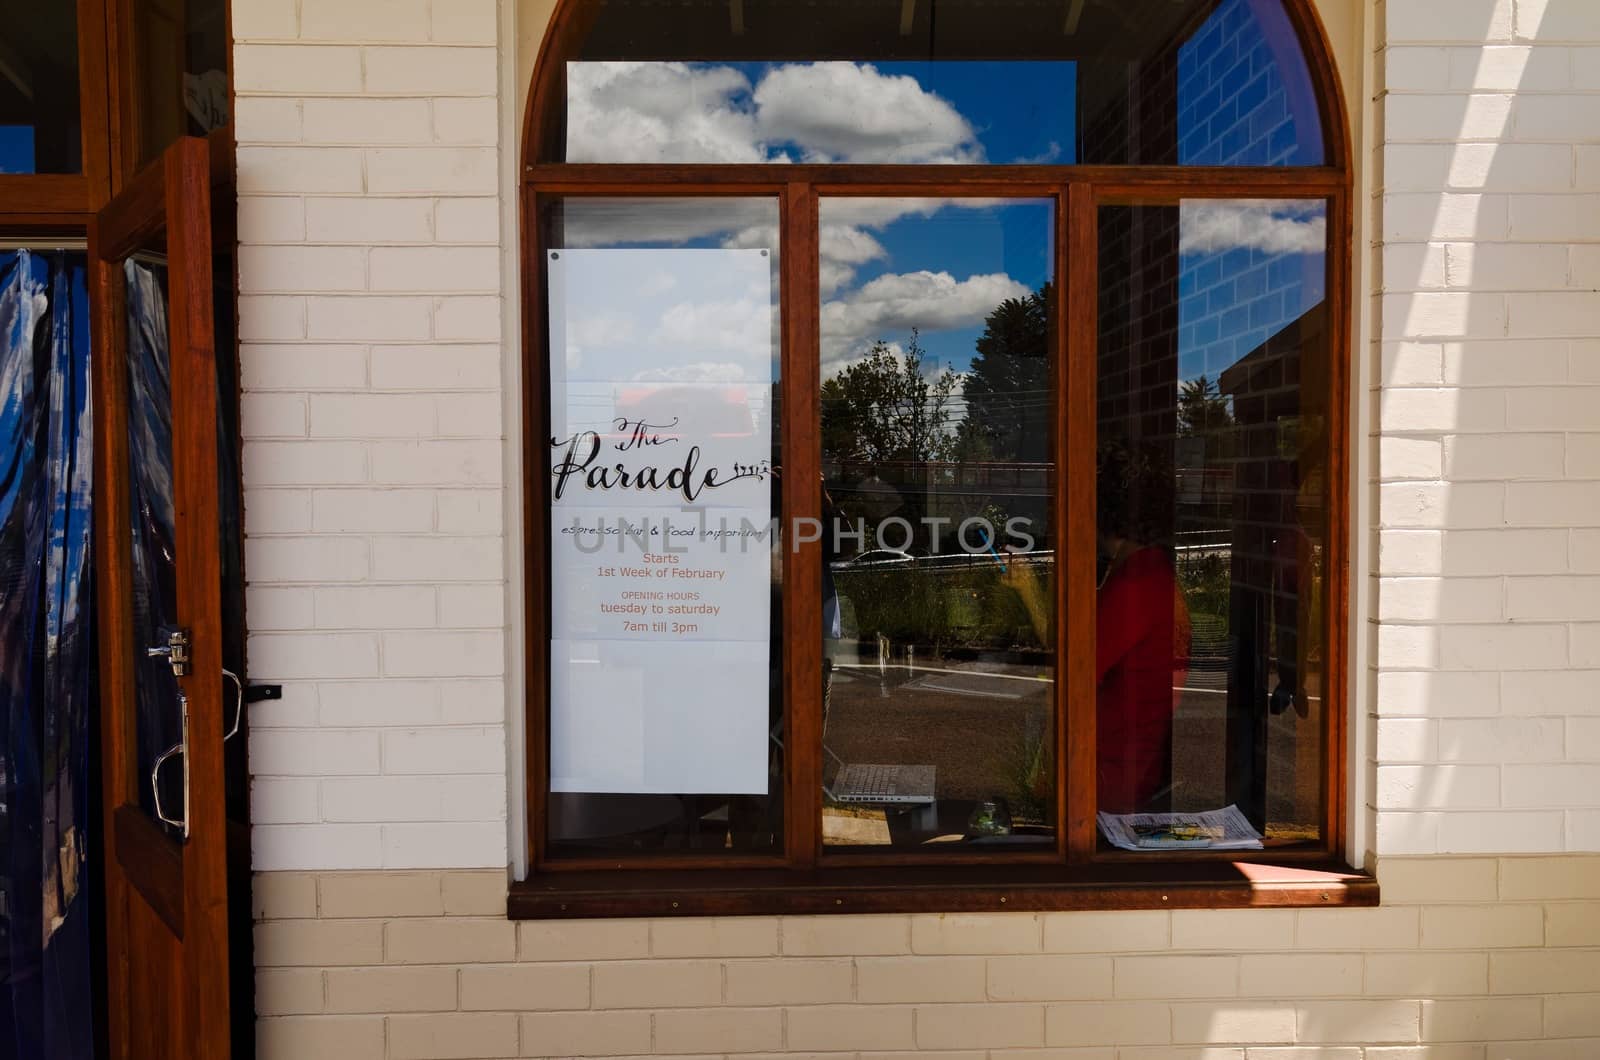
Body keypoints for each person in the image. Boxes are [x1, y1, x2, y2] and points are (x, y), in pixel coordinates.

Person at [1095, 442, 1192, 815]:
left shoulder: (1134, 585)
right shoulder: (1151, 572)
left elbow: (1077, 667)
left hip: (1113, 773)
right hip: (1136, 760)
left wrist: (1027, 592)